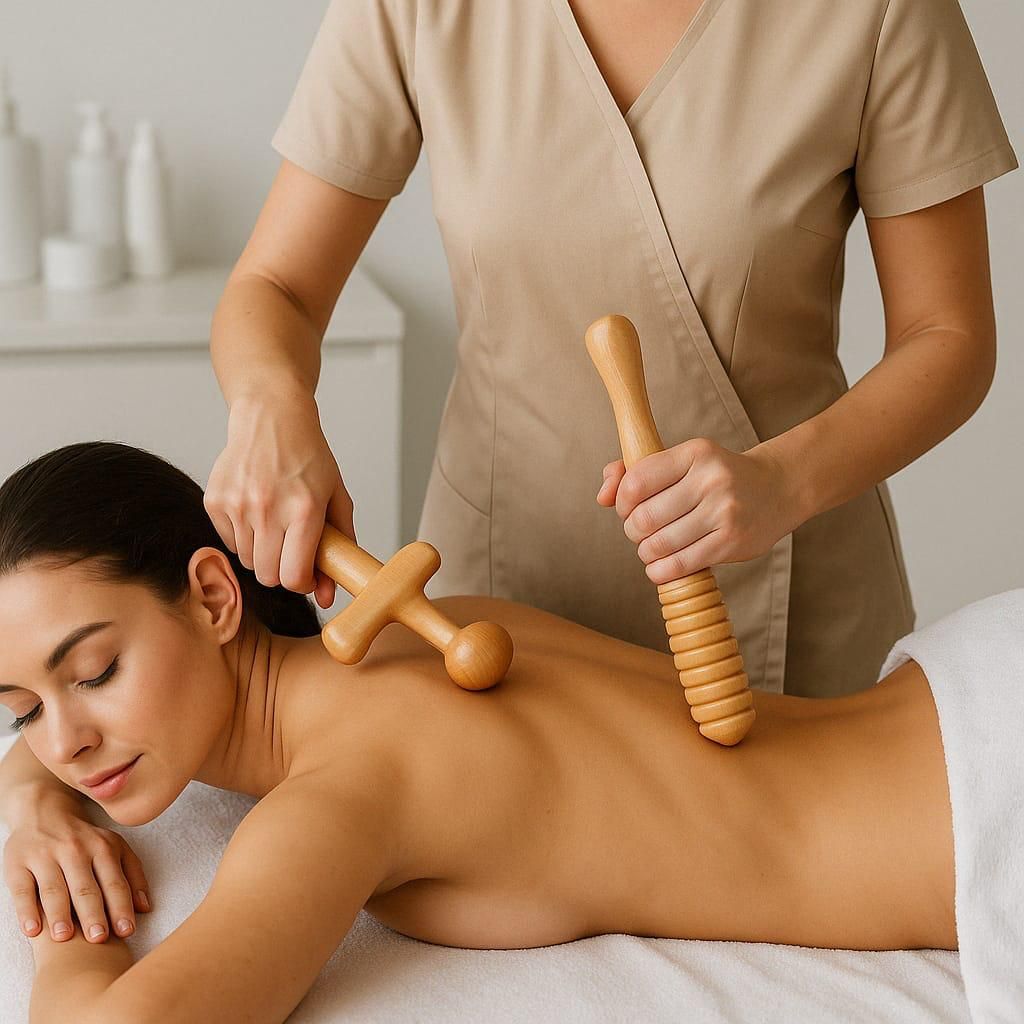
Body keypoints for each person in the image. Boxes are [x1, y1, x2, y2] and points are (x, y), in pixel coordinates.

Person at [204, 0, 1017, 700]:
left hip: (790, 600)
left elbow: (947, 336)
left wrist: (782, 482)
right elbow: (277, 286)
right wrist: (269, 406)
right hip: (502, 605)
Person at [0, 443, 961, 1023]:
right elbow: (57, 751)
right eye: (22, 710)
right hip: (956, 697)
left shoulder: (344, 794)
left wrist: (63, 918)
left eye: (94, 674)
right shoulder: (427, 621)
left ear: (215, 595)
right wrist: (31, 796)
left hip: (979, 815)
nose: (66, 742)